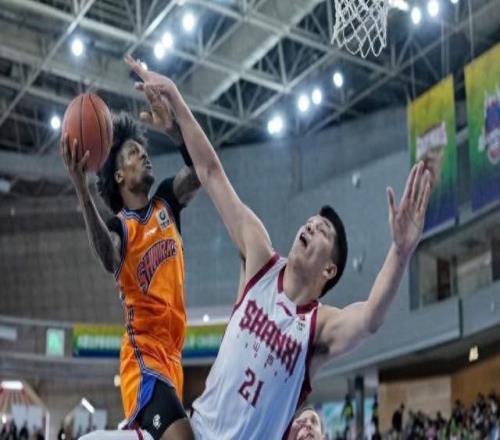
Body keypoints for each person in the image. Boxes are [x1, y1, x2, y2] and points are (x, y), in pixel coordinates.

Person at [127, 58, 432, 439]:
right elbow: (211, 172)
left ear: (329, 270)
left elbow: (370, 318)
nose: (310, 225)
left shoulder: (319, 328)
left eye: (322, 231)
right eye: (311, 221)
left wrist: (400, 253)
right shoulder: (260, 257)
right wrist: (175, 96)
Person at [62, 102, 200, 439]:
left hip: (172, 357)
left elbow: (201, 171)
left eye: (143, 150)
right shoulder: (120, 227)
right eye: (133, 153)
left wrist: (175, 132)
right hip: (143, 360)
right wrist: (82, 191)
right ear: (119, 176)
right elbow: (109, 257)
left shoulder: (167, 201)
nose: (144, 155)